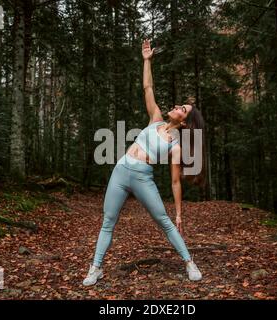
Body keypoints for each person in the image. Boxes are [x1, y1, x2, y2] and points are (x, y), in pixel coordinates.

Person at [83, 39, 207, 286]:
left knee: (165, 222)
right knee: (108, 221)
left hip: (142, 178)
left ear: (184, 122)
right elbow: (148, 87)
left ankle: (190, 263)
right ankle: (95, 268)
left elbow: (174, 181)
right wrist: (147, 60)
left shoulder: (176, 145)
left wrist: (180, 213)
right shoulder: (156, 118)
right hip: (120, 170)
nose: (176, 106)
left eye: (182, 107)